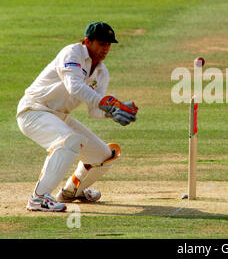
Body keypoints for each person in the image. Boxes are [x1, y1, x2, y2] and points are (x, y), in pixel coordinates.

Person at [17, 22, 138, 212]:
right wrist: (105, 103)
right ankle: (38, 198)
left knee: (103, 155)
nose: (106, 49)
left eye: (109, 45)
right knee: (69, 141)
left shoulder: (101, 72)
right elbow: (74, 86)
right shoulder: (72, 53)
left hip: (60, 117)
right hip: (34, 110)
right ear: (87, 41)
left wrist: (113, 112)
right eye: (101, 43)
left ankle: (73, 191)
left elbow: (94, 110)